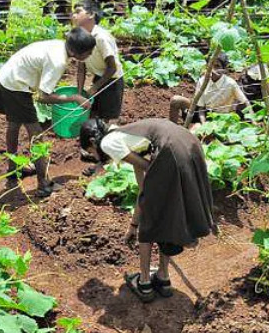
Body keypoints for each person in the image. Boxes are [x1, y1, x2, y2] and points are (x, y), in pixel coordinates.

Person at [79, 118, 215, 302]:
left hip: (171, 149)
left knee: (150, 222)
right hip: (188, 144)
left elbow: (150, 168)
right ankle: (163, 277)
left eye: (91, 152)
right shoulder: (130, 137)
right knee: (167, 215)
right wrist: (132, 226)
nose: (96, 158)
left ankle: (144, 283)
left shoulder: (107, 142)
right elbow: (144, 190)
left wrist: (140, 225)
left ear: (93, 142)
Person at [0, 28, 96, 196]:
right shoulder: (58, 61)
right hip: (16, 86)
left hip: (6, 76)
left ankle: (12, 169)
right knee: (37, 136)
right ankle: (43, 184)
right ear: (76, 52)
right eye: (88, 52)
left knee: (14, 124)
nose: (90, 55)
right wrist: (74, 98)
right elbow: (43, 97)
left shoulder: (59, 45)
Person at [72, 1, 124, 122]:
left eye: (78, 12)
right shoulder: (81, 37)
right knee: (93, 113)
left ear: (91, 14)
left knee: (107, 119)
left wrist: (94, 88)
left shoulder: (101, 37)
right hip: (99, 78)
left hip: (112, 82)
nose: (74, 15)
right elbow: (81, 68)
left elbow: (112, 68)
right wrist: (79, 92)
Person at [169, 53, 252, 126]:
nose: (213, 69)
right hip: (203, 113)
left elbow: (245, 102)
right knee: (176, 100)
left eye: (217, 66)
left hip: (222, 117)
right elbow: (201, 108)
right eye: (211, 65)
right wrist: (204, 124)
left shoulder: (230, 83)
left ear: (224, 69)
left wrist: (253, 119)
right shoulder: (202, 81)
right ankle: (173, 129)